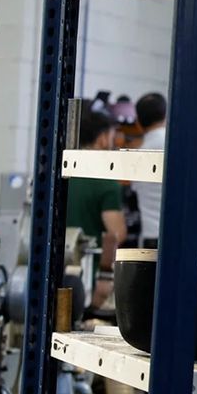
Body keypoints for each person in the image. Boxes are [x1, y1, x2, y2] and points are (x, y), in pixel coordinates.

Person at [130, 92, 197, 247]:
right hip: (185, 243)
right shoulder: (181, 146)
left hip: (151, 242)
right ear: (166, 116)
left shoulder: (137, 157)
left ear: (138, 122)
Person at [68, 106, 126, 309]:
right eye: (112, 137)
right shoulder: (106, 182)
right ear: (102, 138)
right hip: (89, 279)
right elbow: (116, 234)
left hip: (53, 272)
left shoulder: (63, 175)